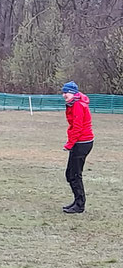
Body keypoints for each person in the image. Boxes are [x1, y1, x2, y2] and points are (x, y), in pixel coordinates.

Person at [60, 81, 94, 214]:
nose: (64, 95)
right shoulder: (74, 103)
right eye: (63, 92)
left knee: (74, 174)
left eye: (66, 92)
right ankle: (77, 201)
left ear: (73, 93)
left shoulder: (78, 105)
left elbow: (78, 127)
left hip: (82, 143)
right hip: (79, 142)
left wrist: (69, 144)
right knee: (70, 174)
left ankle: (80, 205)